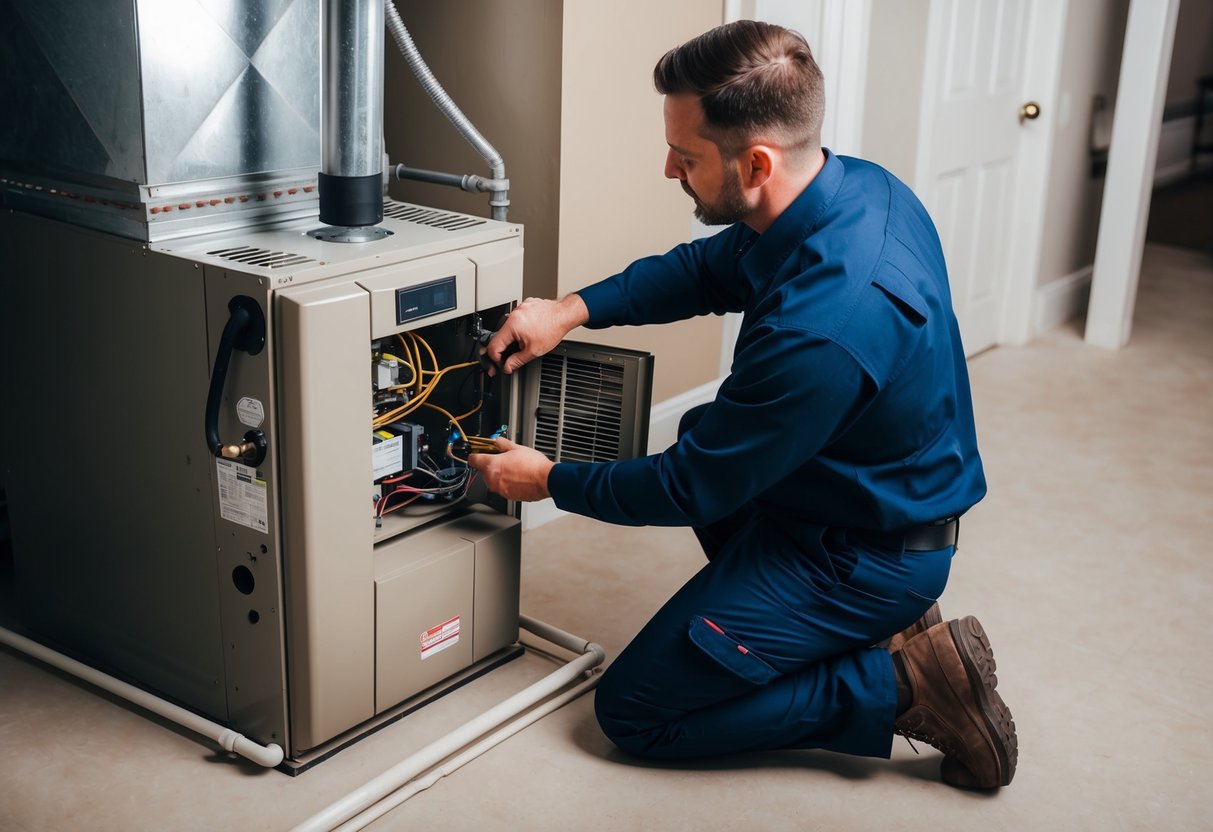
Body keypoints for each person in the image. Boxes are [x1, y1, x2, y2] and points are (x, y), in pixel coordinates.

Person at [468, 19, 1017, 790]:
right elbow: (704, 269)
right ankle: (864, 633)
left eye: (685, 157)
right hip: (860, 495)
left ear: (754, 162)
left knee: (635, 714)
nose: (668, 169)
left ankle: (902, 685)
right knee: (707, 427)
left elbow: (689, 486)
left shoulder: (826, 323)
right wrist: (570, 309)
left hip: (864, 555)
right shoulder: (849, 188)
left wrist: (548, 480)